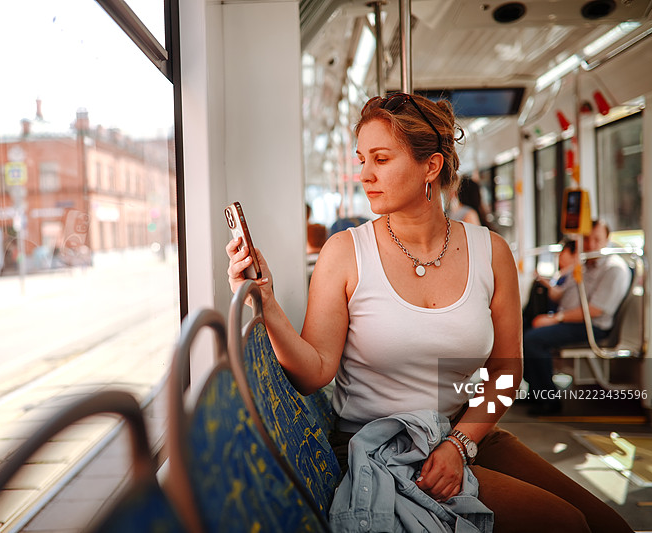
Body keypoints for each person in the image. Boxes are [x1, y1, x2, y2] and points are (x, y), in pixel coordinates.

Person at [226, 93, 631, 532]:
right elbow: (314, 371)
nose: (364, 175)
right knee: (564, 524)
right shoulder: (345, 253)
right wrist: (264, 302)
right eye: (362, 159)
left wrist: (460, 444)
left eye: (380, 159)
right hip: (381, 444)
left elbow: (506, 371)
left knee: (610, 525)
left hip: (468, 431)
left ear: (431, 166)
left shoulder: (491, 252)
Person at [523, 221, 631, 415]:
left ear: (607, 240)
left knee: (533, 340)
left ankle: (549, 399)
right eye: (587, 239)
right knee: (520, 331)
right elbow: (560, 295)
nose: (591, 245)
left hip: (591, 326)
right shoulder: (582, 265)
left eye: (597, 239)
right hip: (570, 319)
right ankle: (535, 392)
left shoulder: (614, 269)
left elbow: (595, 310)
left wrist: (556, 318)